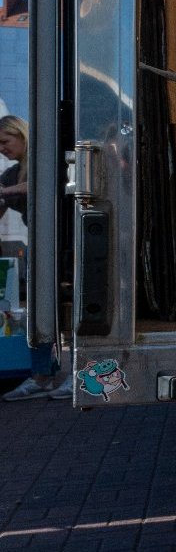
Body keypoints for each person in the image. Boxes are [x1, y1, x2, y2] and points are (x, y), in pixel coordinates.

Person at [0, 116, 70, 401]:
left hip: (62, 241)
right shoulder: (11, 174)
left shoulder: (43, 161)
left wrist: (5, 192)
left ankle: (78, 374)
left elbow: (43, 185)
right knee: (41, 311)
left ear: (22, 136)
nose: (1, 149)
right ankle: (42, 376)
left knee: (70, 304)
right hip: (38, 245)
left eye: (5, 142)